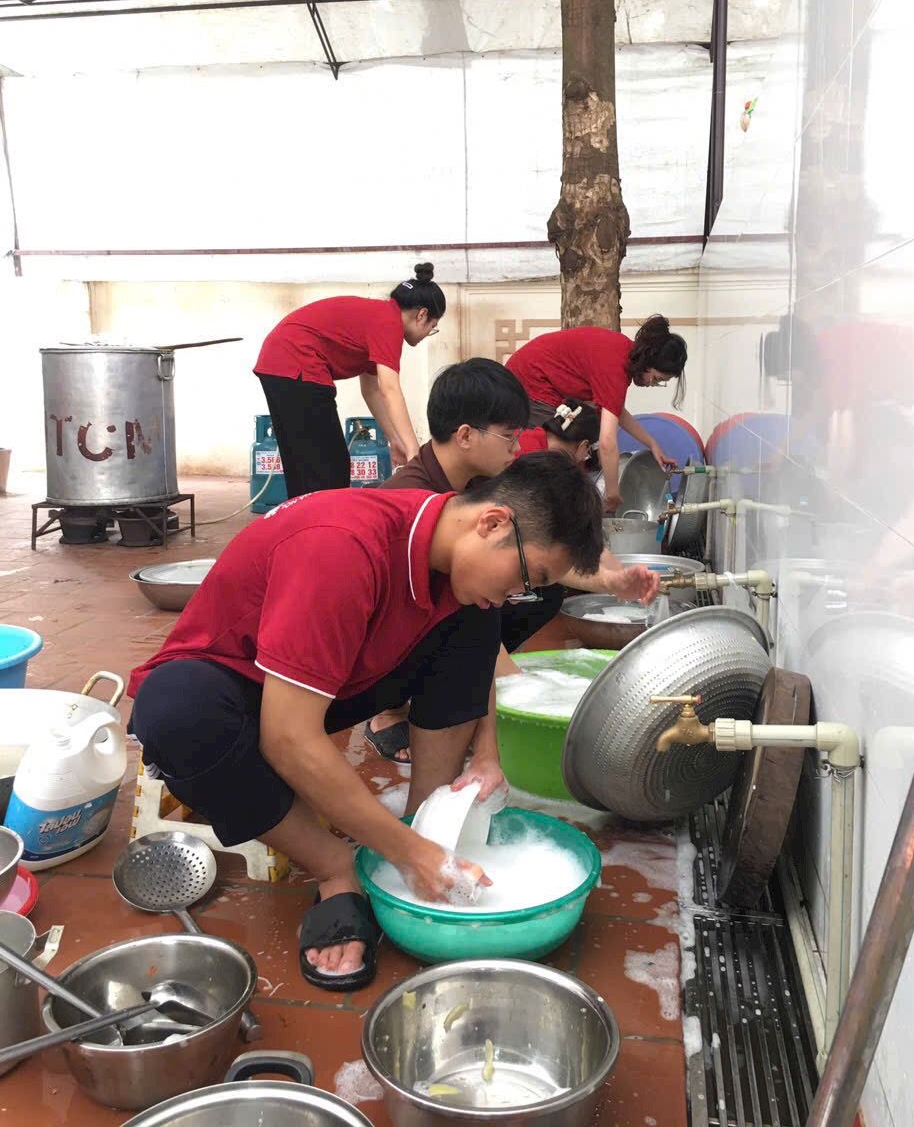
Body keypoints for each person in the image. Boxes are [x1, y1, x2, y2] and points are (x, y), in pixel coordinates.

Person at [127, 454, 603, 993]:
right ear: (493, 523)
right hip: (241, 688)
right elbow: (287, 736)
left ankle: (421, 826)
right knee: (176, 711)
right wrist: (412, 857)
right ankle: (338, 871)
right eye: (527, 577)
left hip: (340, 677)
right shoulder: (341, 548)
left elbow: (479, 656)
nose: (518, 595)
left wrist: (486, 755)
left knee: (475, 612)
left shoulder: (447, 543)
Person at [365, 359, 659, 762]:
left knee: (542, 592)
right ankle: (390, 711)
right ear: (465, 435)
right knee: (475, 630)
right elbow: (462, 617)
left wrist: (611, 581)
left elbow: (537, 558)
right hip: (382, 634)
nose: (517, 448)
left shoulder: (483, 483)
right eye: (508, 436)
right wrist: (527, 696)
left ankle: (457, 704)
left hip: (448, 614)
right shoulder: (409, 499)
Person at [254, 262, 445, 499]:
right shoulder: (389, 323)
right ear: (422, 314)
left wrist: (394, 439)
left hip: (279, 362)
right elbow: (390, 389)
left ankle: (305, 516)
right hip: (297, 363)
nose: (428, 334)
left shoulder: (379, 317)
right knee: (329, 465)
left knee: (304, 462)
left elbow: (371, 391)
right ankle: (321, 518)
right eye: (432, 327)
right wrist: (414, 450)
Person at [506, 314, 688, 513]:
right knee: (558, 457)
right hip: (530, 381)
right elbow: (607, 442)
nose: (652, 384)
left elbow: (616, 410)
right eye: (656, 378)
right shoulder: (616, 366)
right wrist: (612, 493)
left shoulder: (623, 354)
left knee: (570, 456)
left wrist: (652, 444)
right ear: (647, 362)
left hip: (534, 379)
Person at [517, 398, 601, 469]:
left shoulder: (530, 436)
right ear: (584, 445)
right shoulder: (536, 463)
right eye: (588, 453)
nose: (585, 458)